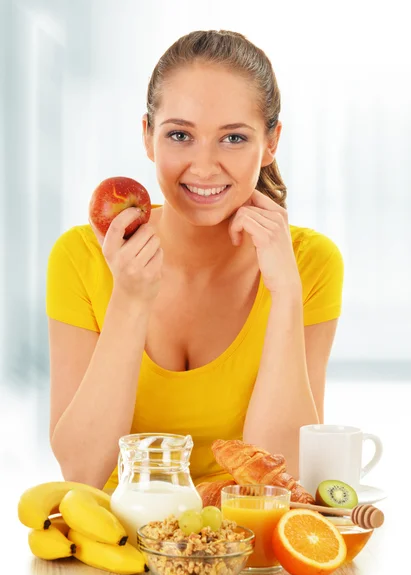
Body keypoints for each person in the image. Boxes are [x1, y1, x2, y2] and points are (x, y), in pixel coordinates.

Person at [46, 30, 344, 492]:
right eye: (180, 135)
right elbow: (82, 472)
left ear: (271, 142)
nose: (204, 167)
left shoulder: (309, 263)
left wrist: (285, 295)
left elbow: (279, 479)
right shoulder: (81, 257)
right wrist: (129, 300)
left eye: (233, 138)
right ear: (147, 136)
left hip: (245, 548)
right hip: (120, 549)